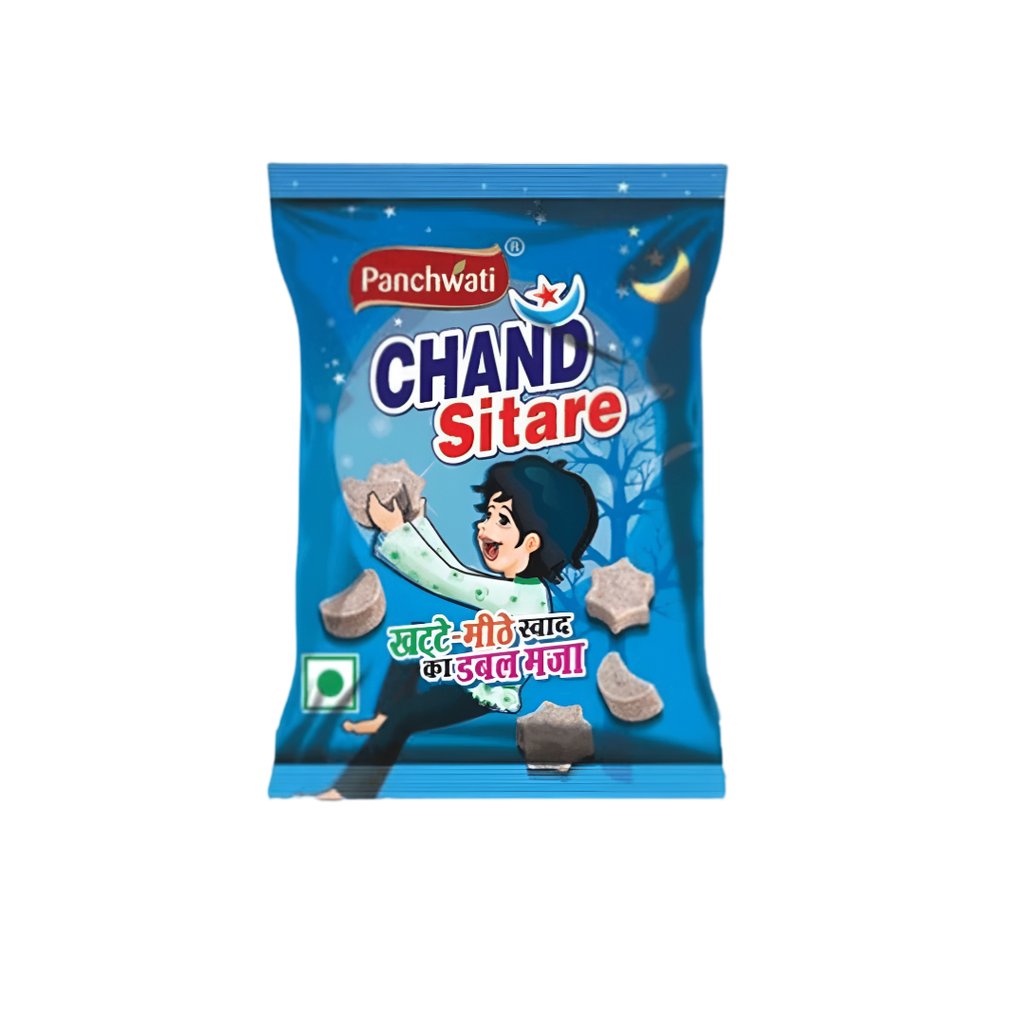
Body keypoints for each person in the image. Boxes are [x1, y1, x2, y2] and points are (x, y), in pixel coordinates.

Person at [314, 455, 598, 802]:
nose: (484, 526)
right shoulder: (521, 588)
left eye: (501, 520)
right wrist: (418, 524)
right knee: (414, 644)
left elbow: (449, 579)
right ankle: (383, 717)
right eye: (488, 514)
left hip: (484, 691)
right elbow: (455, 570)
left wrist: (396, 530)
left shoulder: (521, 596)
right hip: (470, 666)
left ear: (531, 543)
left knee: (406, 718)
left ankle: (348, 790)